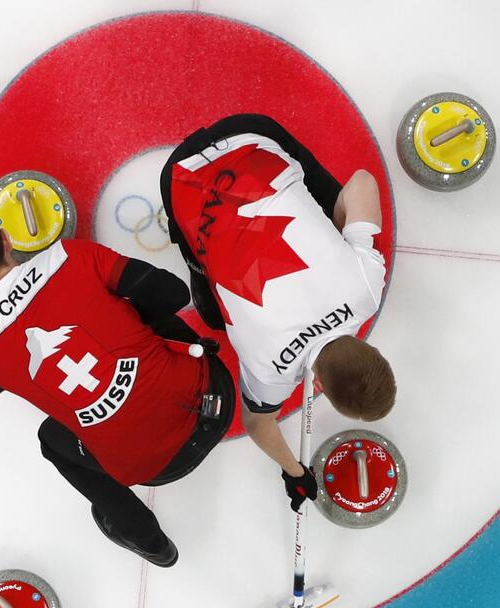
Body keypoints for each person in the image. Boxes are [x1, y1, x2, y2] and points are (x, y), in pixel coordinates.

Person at [0, 201, 235, 567]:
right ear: (6, 238)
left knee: (52, 441)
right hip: (216, 400)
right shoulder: (67, 257)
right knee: (137, 309)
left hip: (152, 469)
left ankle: (148, 540)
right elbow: (173, 295)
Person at [160, 113, 396, 511]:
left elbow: (362, 182)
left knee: (334, 207)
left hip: (251, 134)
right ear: (317, 385)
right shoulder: (269, 370)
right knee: (215, 312)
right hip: (179, 179)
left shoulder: (367, 290)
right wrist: (294, 471)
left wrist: (340, 234)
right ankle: (197, 264)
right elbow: (256, 423)